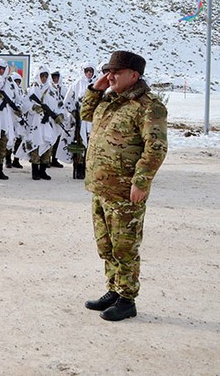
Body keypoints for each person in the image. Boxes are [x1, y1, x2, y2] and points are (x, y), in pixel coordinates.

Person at [81, 51, 167, 322]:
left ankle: (127, 298)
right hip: (101, 186)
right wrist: (96, 89)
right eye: (109, 71)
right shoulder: (110, 99)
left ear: (134, 75)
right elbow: (85, 114)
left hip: (125, 190)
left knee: (125, 246)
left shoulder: (149, 106)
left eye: (116, 72)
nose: (111, 76)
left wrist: (141, 182)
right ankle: (114, 289)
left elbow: (156, 148)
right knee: (106, 244)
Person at [21, 65, 63, 181]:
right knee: (36, 145)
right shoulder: (31, 90)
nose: (44, 78)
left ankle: (43, 170)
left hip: (48, 122)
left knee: (47, 145)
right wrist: (33, 107)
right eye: (42, 76)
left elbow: (58, 104)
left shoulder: (52, 90)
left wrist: (59, 115)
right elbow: (24, 103)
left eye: (46, 76)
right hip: (36, 122)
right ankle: (35, 171)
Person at [64, 62, 96, 179]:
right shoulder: (77, 84)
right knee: (79, 143)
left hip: (92, 119)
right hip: (80, 119)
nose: (89, 73)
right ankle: (78, 168)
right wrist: (73, 112)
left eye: (91, 71)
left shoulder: (96, 84)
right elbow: (67, 101)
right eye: (87, 71)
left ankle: (89, 170)